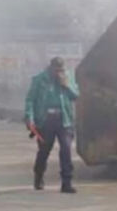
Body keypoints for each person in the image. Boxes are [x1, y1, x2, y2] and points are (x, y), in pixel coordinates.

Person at [24, 57, 79, 194]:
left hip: (64, 119)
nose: (59, 73)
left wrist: (67, 85)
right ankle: (39, 176)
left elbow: (76, 96)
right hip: (46, 119)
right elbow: (30, 99)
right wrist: (29, 118)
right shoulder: (40, 80)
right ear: (51, 68)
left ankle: (67, 182)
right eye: (57, 70)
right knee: (44, 150)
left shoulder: (67, 78)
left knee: (66, 149)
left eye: (62, 70)